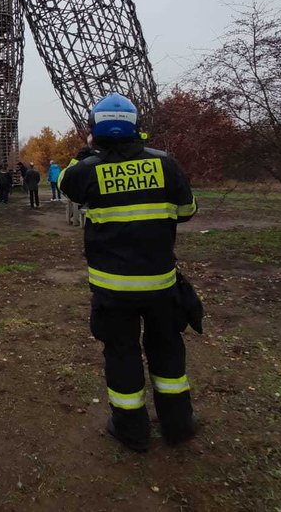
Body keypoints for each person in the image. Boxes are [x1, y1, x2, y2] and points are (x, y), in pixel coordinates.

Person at [59, 93, 199, 452]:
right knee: (168, 351)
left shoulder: (87, 169)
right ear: (136, 126)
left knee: (122, 354)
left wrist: (88, 149)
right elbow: (187, 210)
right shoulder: (165, 164)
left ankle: (131, 430)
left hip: (113, 290)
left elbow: (64, 184)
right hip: (161, 284)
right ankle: (178, 426)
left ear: (96, 129)